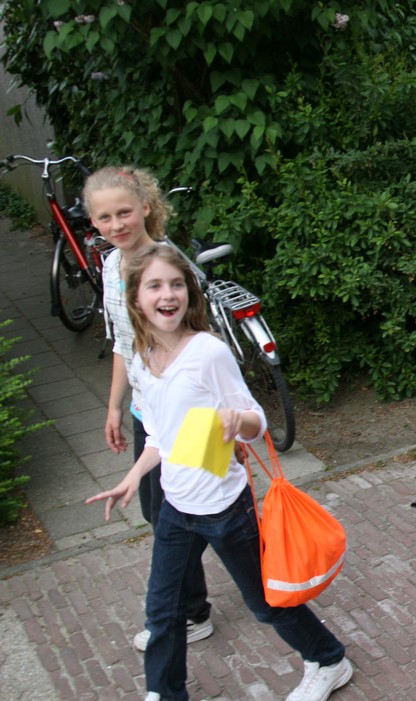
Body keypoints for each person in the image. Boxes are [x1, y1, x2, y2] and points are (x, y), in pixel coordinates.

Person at [85, 244, 352, 701]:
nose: (167, 294)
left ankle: (329, 660)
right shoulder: (141, 359)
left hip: (225, 510)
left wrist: (235, 420)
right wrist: (133, 476)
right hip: (175, 508)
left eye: (176, 284)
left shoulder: (208, 352)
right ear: (136, 299)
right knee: (163, 612)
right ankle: (165, 693)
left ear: (189, 294)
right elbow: (160, 437)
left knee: (265, 604)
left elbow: (257, 421)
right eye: (155, 286)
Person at [84, 167, 215, 651]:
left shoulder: (169, 265)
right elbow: (124, 341)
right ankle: (200, 602)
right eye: (105, 217)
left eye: (124, 212)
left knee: (185, 516)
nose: (116, 224)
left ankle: (187, 613)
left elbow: (203, 341)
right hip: (149, 413)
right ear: (93, 222)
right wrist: (115, 407)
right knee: (162, 512)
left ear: (144, 207)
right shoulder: (109, 267)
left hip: (192, 413)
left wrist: (217, 421)